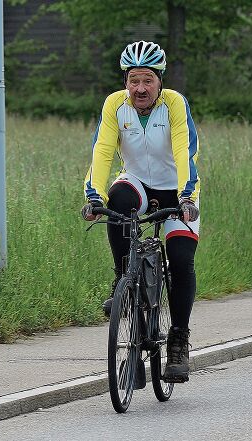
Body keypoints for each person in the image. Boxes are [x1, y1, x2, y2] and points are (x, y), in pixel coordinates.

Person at [81, 41, 200, 383]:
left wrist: (187, 196)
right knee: (117, 201)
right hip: (137, 183)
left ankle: (178, 339)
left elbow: (183, 150)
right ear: (125, 81)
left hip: (177, 187)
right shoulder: (115, 105)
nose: (140, 88)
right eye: (133, 80)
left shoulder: (174, 103)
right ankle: (123, 278)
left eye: (147, 80)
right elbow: (102, 151)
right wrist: (93, 196)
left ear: (159, 81)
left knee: (180, 259)